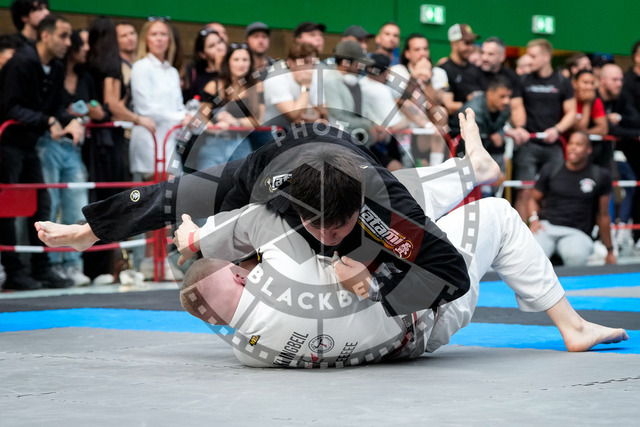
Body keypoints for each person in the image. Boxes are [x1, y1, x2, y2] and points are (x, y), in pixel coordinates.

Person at [36, 110, 509, 316]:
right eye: (315, 226)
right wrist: (93, 229)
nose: (327, 238)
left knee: (417, 196)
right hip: (283, 161)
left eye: (338, 227)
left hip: (351, 164)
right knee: (179, 195)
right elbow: (198, 203)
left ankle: (475, 169)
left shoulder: (381, 199)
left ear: (357, 209)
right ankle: (88, 230)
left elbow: (452, 274)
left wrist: (377, 286)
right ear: (294, 208)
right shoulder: (268, 183)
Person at [0, 14, 80, 290]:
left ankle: (42, 267)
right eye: (63, 36)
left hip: (30, 144)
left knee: (41, 204)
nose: (68, 42)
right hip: (7, 144)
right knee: (8, 208)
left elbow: (56, 106)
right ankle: (13, 270)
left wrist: (70, 120)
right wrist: (47, 120)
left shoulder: (56, 67)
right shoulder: (21, 63)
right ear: (45, 35)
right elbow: (10, 107)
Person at [37, 29, 105, 286]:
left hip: (75, 147)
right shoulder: (52, 71)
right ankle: (52, 265)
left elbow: (97, 108)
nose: (86, 48)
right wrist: (66, 117)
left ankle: (73, 265)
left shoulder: (85, 77)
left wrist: (89, 111)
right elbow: (46, 107)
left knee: (77, 203)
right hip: (49, 142)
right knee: (50, 203)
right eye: (80, 43)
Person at [528, 132, 615, 266]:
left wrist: (610, 250)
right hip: (547, 227)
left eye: (579, 144)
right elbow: (533, 199)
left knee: (575, 257)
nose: (573, 147)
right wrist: (534, 220)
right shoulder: (551, 169)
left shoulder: (600, 175)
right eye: (571, 143)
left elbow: (603, 215)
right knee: (531, 256)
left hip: (578, 232)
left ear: (589, 149)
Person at [514, 39, 576, 221]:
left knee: (556, 190)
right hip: (528, 144)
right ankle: (518, 234)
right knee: (524, 191)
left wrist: (557, 129)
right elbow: (516, 108)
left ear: (546, 57)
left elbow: (571, 112)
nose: (529, 60)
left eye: (533, 56)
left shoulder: (562, 81)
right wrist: (519, 128)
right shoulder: (523, 80)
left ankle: (550, 230)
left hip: (553, 144)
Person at [129, 17, 189, 179]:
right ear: (146, 39)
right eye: (154, 34)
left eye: (163, 34)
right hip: (150, 139)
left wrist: (189, 117)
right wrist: (181, 117)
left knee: (173, 189)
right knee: (159, 189)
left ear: (169, 39)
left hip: (170, 140)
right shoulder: (141, 67)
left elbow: (178, 106)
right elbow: (145, 108)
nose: (159, 39)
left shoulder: (172, 72)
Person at [390, 34, 448, 166]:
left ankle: (436, 166)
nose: (422, 53)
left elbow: (435, 105)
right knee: (406, 104)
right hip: (403, 127)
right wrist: (414, 77)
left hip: (427, 133)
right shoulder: (397, 71)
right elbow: (399, 103)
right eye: (417, 49)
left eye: (425, 49)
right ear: (407, 54)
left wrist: (427, 80)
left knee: (441, 112)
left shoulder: (439, 73)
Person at [454, 74, 512, 191]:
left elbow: (500, 126)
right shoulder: (473, 110)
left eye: (508, 96)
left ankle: (492, 190)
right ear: (490, 94)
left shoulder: (505, 108)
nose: (506, 101)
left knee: (498, 143)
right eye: (502, 96)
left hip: (486, 146)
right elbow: (471, 143)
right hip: (461, 148)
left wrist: (500, 134)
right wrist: (492, 171)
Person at [262, 42, 325, 130]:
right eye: (305, 62)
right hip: (271, 131)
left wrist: (317, 115)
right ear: (290, 63)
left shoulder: (311, 76)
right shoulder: (276, 79)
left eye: (313, 63)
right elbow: (294, 115)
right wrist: (305, 86)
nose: (310, 68)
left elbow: (324, 110)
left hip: (298, 130)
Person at [478, 36, 529, 145]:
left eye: (490, 54)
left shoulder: (511, 76)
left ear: (502, 57)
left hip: (500, 133)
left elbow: (516, 105)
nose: (485, 57)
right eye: (483, 53)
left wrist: (520, 128)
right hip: (476, 130)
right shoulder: (473, 72)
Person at [439, 23, 484, 124]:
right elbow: (449, 107)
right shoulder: (444, 69)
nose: (471, 47)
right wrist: (472, 102)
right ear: (454, 44)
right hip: (457, 127)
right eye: (467, 43)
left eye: (472, 43)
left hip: (478, 125)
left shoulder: (475, 69)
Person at [183, 27, 225, 101]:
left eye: (220, 42)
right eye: (212, 46)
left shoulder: (237, 68)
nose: (219, 47)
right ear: (203, 54)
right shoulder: (196, 76)